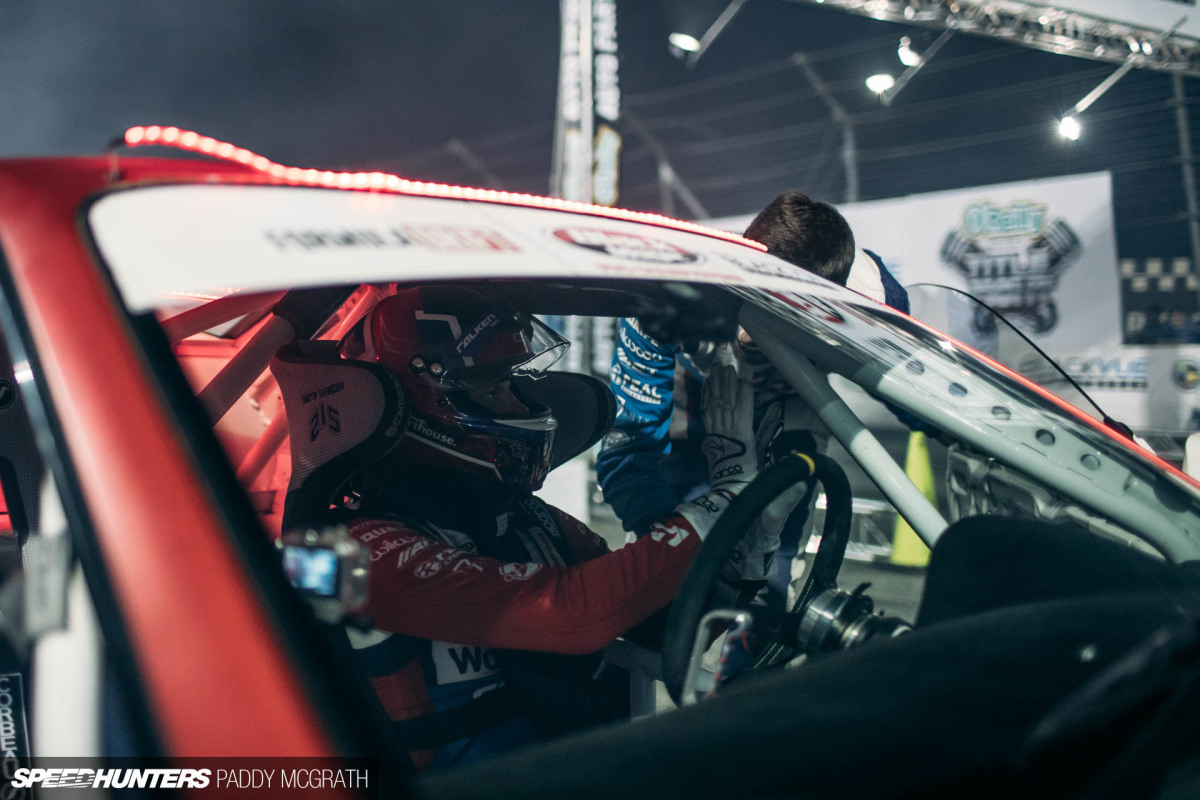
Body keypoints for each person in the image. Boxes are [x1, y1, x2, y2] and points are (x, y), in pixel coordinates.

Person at [270, 285, 777, 770]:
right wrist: (724, 501)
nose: (518, 404)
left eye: (514, 383)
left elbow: (660, 628)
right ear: (419, 405)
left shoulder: (529, 520)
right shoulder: (353, 551)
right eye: (494, 387)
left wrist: (744, 551)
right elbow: (578, 613)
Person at [596, 191, 909, 611]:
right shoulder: (670, 298)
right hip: (688, 443)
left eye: (787, 314)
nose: (758, 331)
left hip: (789, 440)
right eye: (757, 300)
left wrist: (956, 435)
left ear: (826, 303)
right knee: (669, 598)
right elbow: (627, 446)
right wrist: (663, 538)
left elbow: (903, 387)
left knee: (767, 601)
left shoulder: (876, 301)